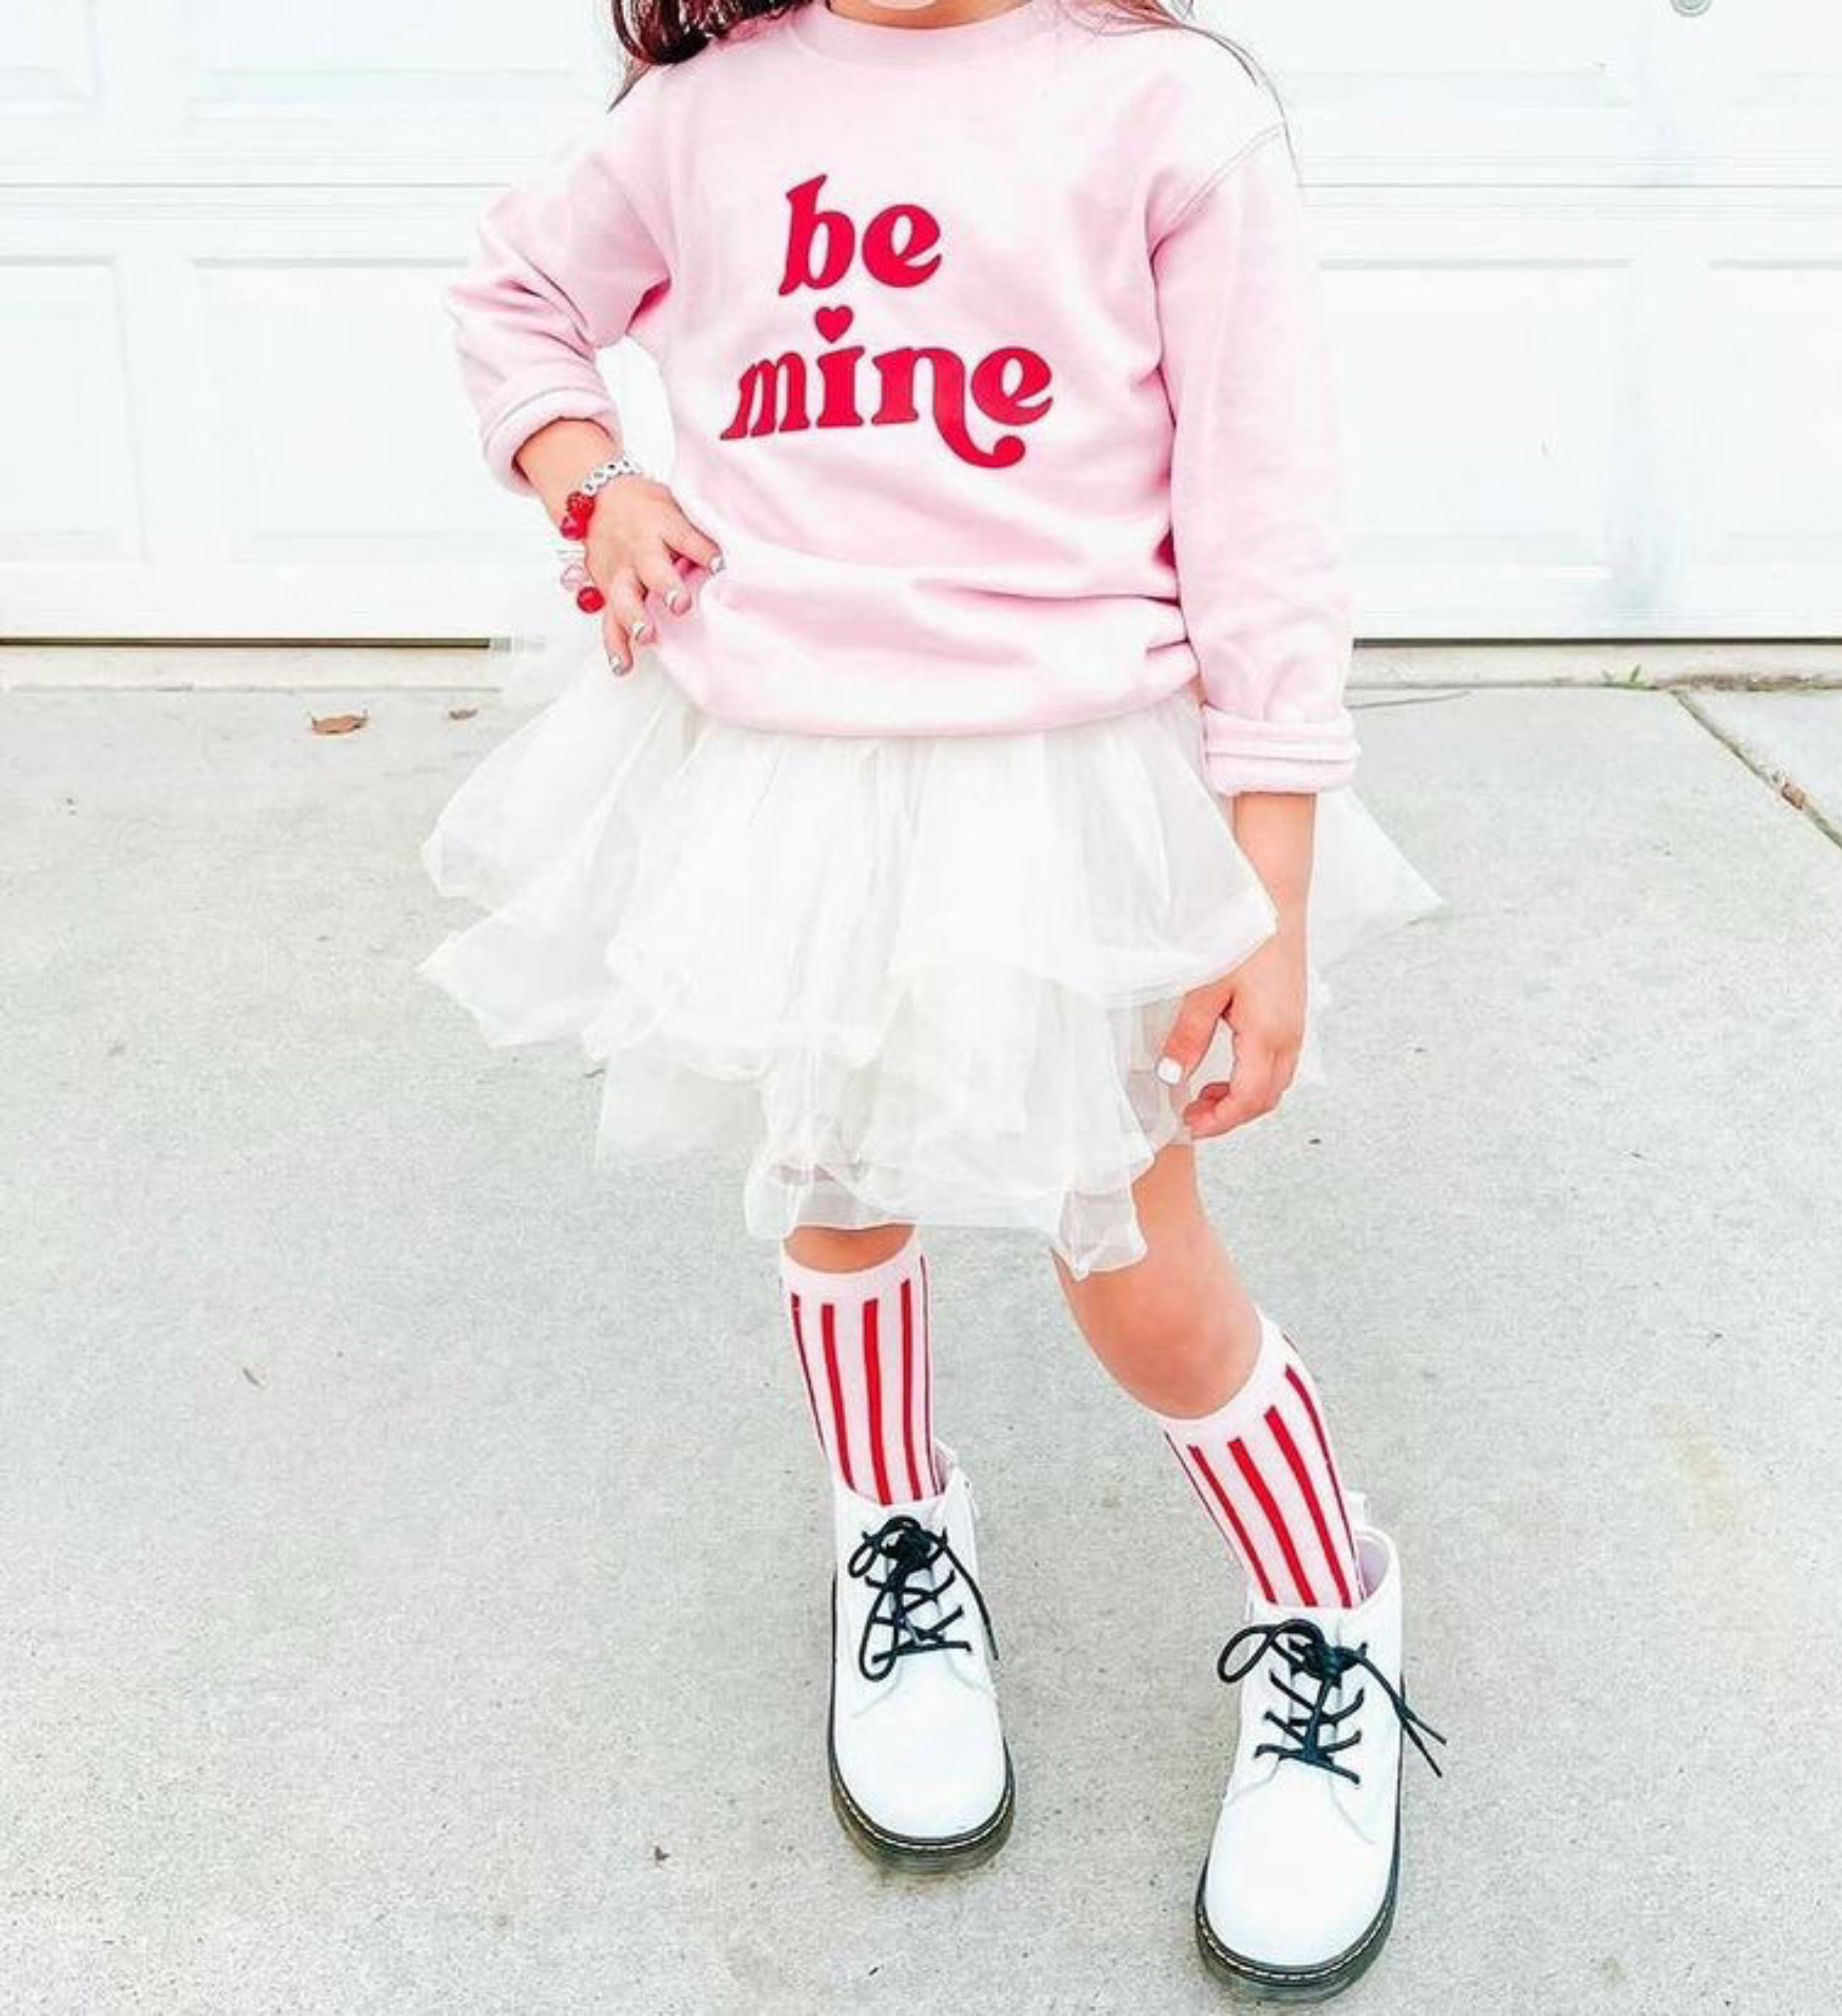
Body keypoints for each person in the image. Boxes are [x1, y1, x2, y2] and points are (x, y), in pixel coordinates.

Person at [420, 0, 1443, 1997]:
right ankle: (894, 1527)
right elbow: (518, 296)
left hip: (1066, 785)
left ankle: (1332, 1610)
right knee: (834, 1171)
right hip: (786, 772)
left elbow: (1261, 528)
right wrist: (588, 479)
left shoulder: (1166, 111)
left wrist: (1269, 893)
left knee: (1132, 1253)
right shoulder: (712, 110)